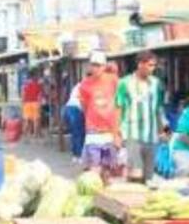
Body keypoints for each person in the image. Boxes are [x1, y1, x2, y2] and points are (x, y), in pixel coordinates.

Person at [115, 51, 166, 182]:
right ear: (140, 64)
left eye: (154, 65)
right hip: (132, 135)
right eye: (150, 65)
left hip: (151, 137)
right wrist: (116, 134)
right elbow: (118, 109)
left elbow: (158, 109)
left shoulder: (157, 83)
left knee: (149, 177)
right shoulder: (124, 83)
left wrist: (163, 131)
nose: (152, 69)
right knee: (136, 173)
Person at [78, 50, 123, 180]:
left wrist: (118, 132)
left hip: (111, 130)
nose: (95, 68)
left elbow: (120, 103)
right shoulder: (84, 84)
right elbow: (84, 106)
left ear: (104, 66)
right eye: (93, 65)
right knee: (94, 169)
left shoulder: (113, 80)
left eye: (98, 65)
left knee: (109, 169)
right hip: (93, 131)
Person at [62, 79, 85, 161]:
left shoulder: (78, 85)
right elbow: (82, 100)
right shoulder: (84, 85)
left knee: (75, 133)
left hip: (68, 108)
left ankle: (75, 155)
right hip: (75, 109)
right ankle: (79, 155)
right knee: (79, 133)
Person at [21, 71, 44, 139]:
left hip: (26, 103)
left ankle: (25, 134)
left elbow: (23, 94)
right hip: (35, 103)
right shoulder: (38, 84)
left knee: (26, 120)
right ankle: (35, 135)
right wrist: (40, 103)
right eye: (36, 75)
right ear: (34, 76)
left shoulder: (25, 84)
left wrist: (23, 103)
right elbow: (39, 95)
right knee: (36, 120)